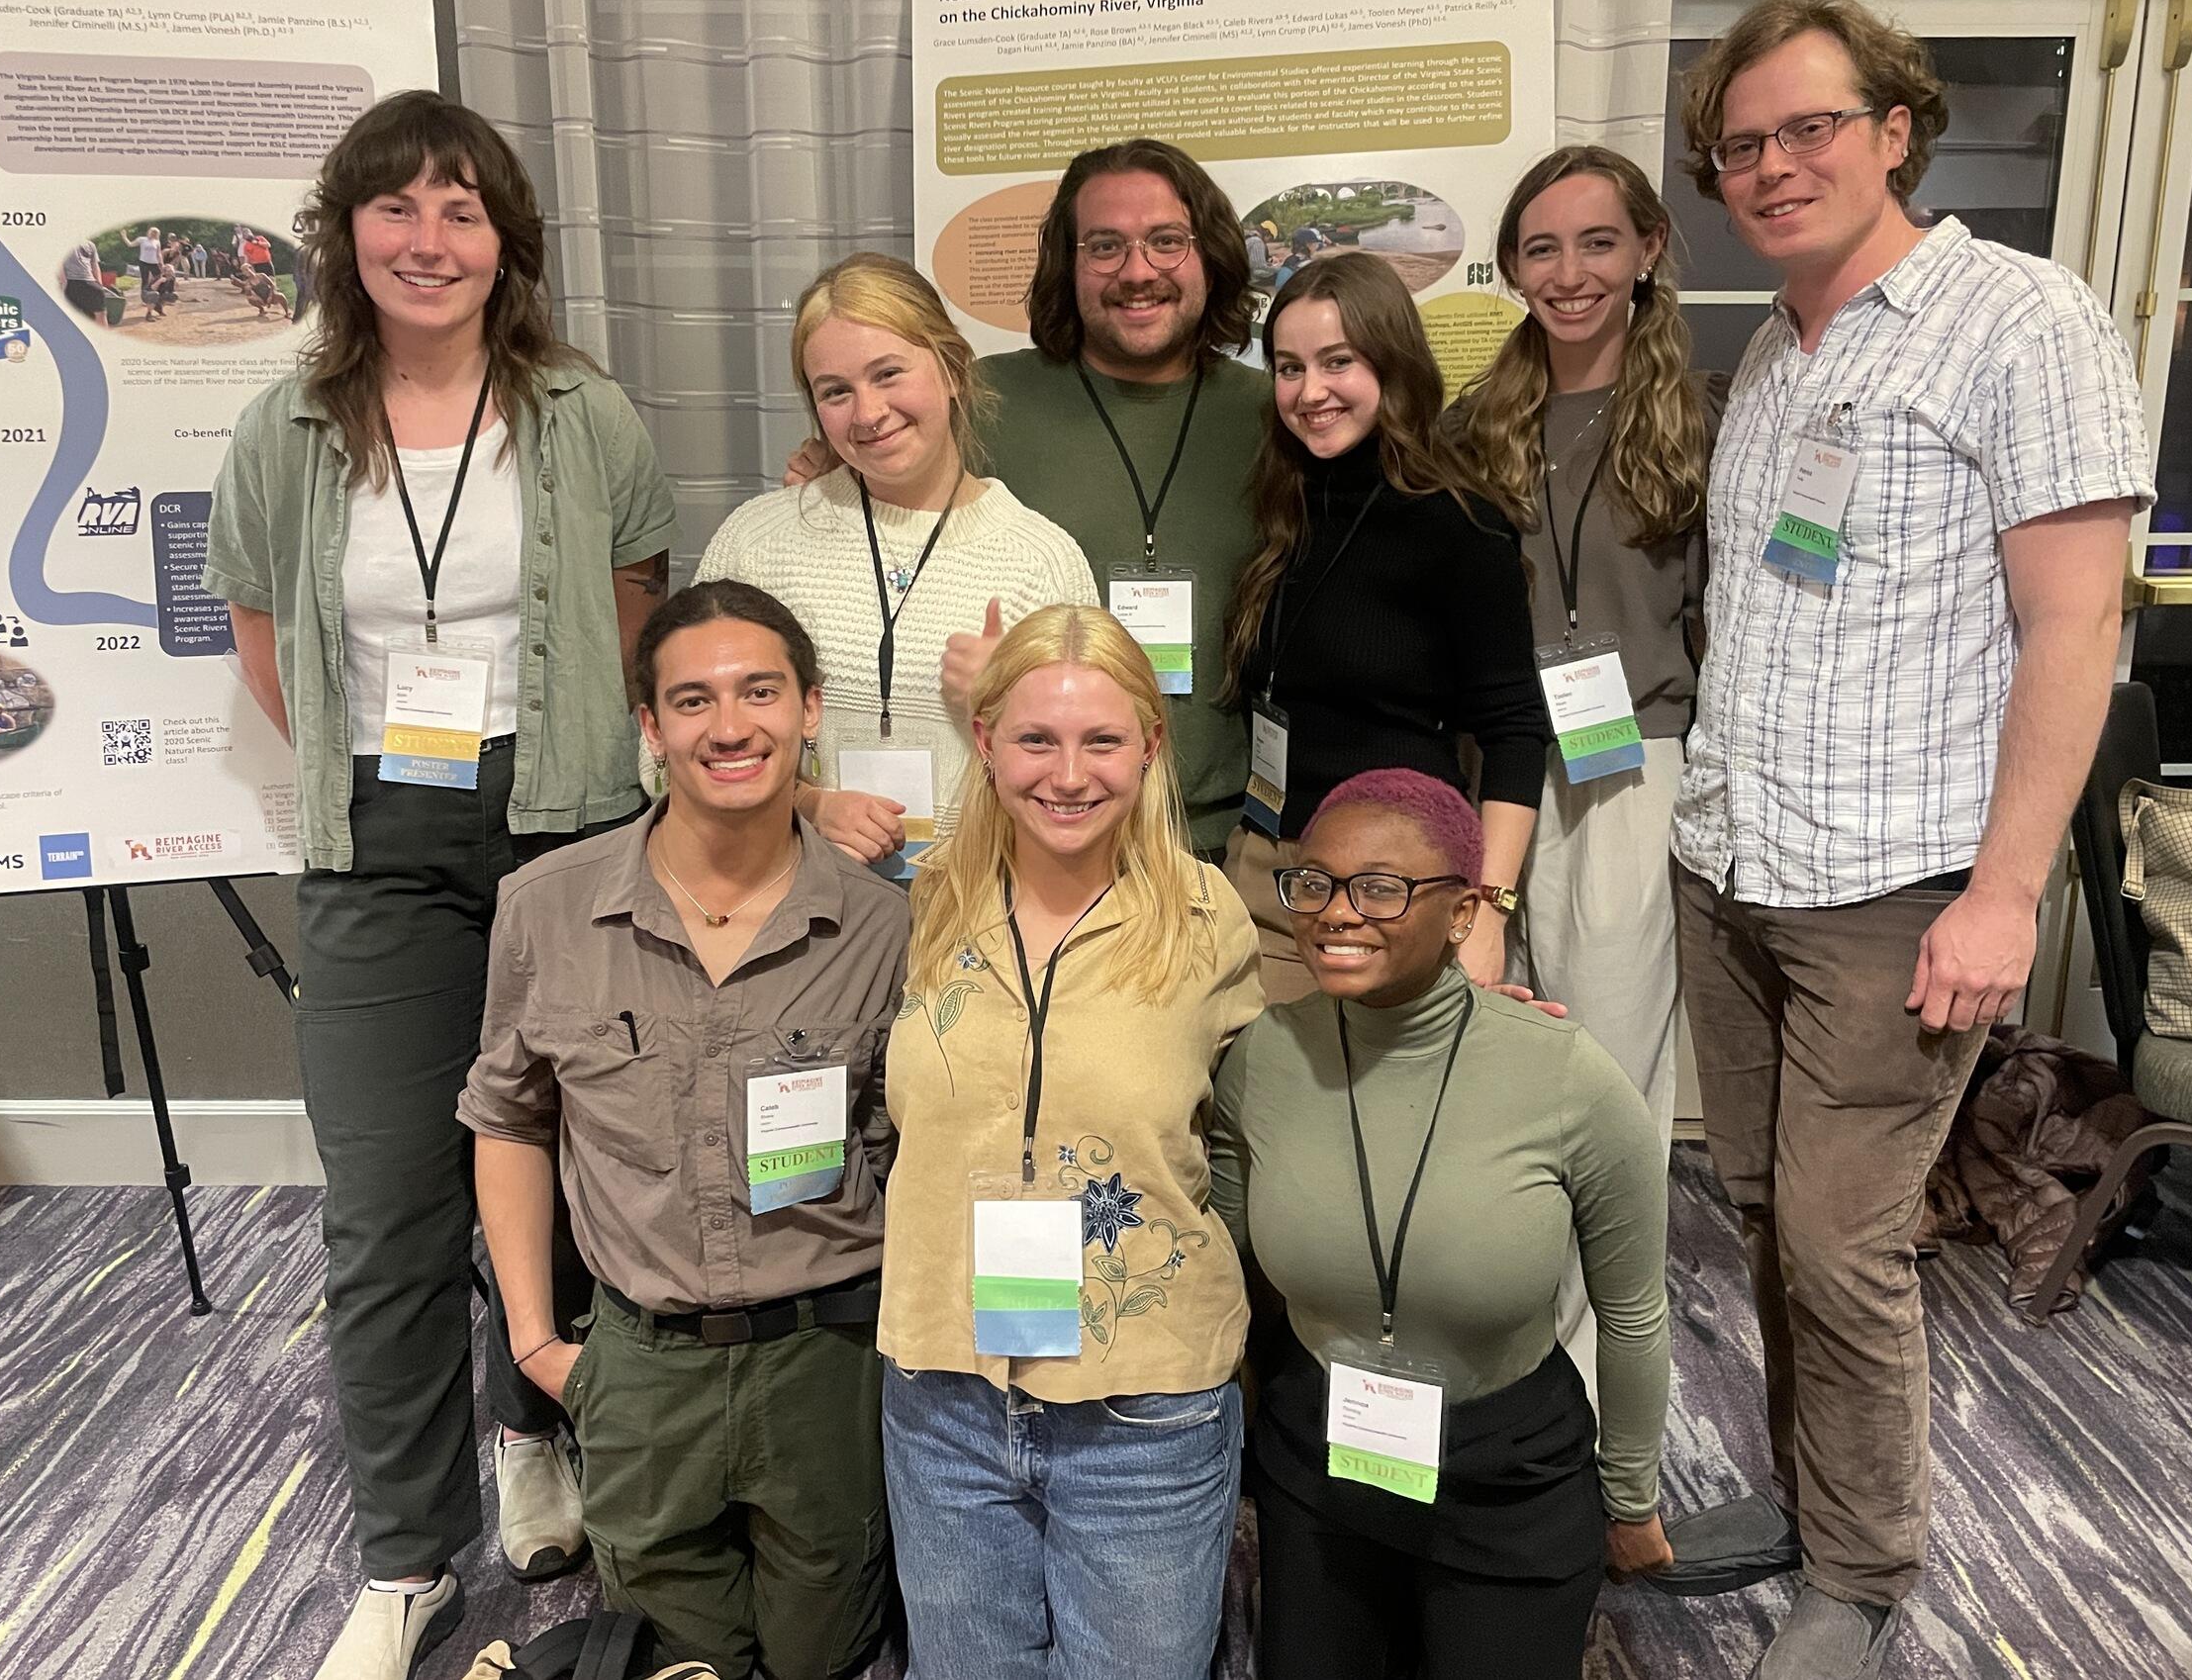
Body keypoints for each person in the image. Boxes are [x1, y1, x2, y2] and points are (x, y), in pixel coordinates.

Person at [1661, 0, 2150, 1678]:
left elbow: (2076, 629)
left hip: (1894, 887)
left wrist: (2004, 894)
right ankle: (1815, 1506)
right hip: (1733, 866)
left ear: (1895, 128)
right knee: (1751, 1208)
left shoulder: (2022, 322)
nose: (1776, 165)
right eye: (1743, 145)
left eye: (1810, 127)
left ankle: (1863, 1575)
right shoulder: (1781, 351)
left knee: (1840, 1239)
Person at [203, 88, 678, 1680]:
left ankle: (538, 1432)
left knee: (588, 1169)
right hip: (372, 848)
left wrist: (544, 771)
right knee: (390, 1206)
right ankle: (406, 1555)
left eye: (462, 208)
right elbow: (268, 642)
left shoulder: (585, 414)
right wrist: (393, 773)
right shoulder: (281, 431)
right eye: (396, 208)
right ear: (348, 236)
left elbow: (631, 616)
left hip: (568, 825)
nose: (428, 237)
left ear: (506, 242)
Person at [464, 580, 906, 1680]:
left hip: (827, 1360)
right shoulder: (548, 908)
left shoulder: (885, 925)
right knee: (674, 1660)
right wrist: (534, 1345)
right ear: (651, 729)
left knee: (822, 1657)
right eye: (693, 700)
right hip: (641, 1367)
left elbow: (913, 1148)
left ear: (810, 711)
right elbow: (509, 1121)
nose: (730, 725)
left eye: (760, 691)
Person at [1209, 767, 1672, 1677]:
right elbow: (1221, 1263)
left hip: (1508, 1477)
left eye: (1381, 887)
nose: (1336, 911)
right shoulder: (1263, 1058)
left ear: (1464, 913)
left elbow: (1633, 1312)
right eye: (1315, 881)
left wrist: (1632, 1496)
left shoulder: (1566, 1077)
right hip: (1322, 1457)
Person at [877, 604, 1261, 1680]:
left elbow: (1265, 1121)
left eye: (1101, 741)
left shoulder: (1204, 918)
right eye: (1036, 740)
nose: (1068, 773)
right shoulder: (925, 905)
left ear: (1150, 746)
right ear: (986, 737)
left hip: (1142, 1404)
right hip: (943, 1388)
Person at [1441, 145, 1725, 1393]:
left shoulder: (1703, 418)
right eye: (1541, 248)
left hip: (1633, 769)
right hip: (1493, 774)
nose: (1568, 273)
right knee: (1488, 1057)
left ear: (1647, 248)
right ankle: (1506, 1339)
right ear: (1509, 266)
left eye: (1597, 243)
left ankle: (1601, 1373)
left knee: (1606, 1074)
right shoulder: (1472, 424)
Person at [787, 140, 1266, 859]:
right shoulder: (987, 400)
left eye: (1166, 241)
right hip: (1048, 832)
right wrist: (819, 472)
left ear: (1211, 253)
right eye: (1104, 246)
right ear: (1066, 264)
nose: (1137, 271)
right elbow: (877, 445)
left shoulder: (1277, 416)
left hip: (1236, 833)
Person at [1220, 250, 1549, 1004]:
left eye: (1338, 362)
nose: (1310, 392)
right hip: (1268, 868)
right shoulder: (1286, 507)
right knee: (1261, 1108)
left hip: (1387, 888)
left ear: (1393, 364)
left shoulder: (1458, 524)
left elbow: (1513, 731)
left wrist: (1490, 910)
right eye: (1289, 367)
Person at [697, 253, 1095, 873]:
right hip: (800, 907)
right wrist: (803, 805)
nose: (868, 413)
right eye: (836, 391)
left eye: (888, 374)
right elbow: (667, 761)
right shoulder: (758, 544)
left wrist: (1014, 704)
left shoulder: (1039, 559)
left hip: (988, 909)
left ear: (953, 370)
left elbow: (1102, 779)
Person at [62, 239, 109, 325]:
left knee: (100, 314)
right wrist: (64, 285)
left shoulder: (90, 244)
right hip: (71, 282)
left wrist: (99, 284)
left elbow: (94, 264)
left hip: (90, 282)